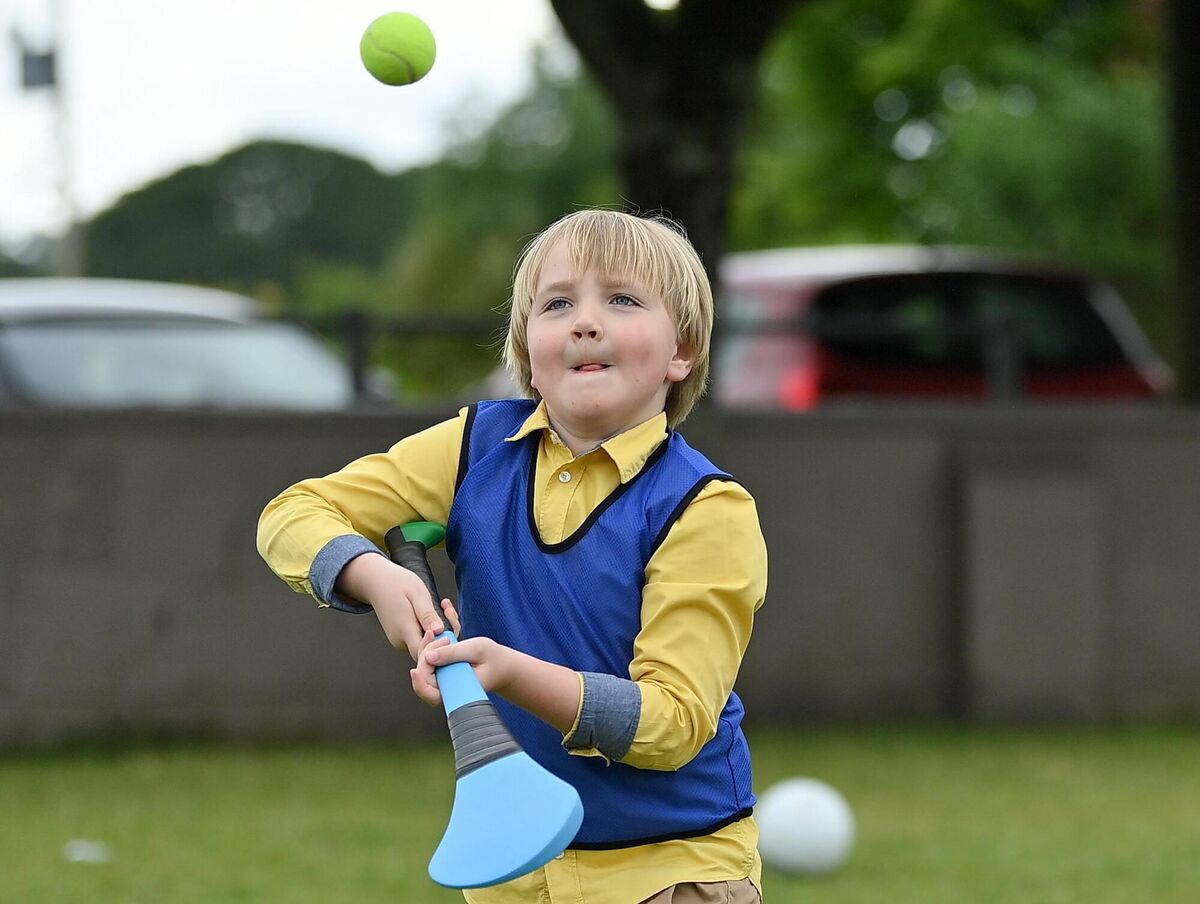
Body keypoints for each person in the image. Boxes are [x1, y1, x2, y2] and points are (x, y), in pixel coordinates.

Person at [257, 209, 768, 904]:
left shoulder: (706, 508)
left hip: (668, 866)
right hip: (516, 864)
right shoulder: (474, 447)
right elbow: (291, 514)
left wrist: (507, 671)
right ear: (527, 353)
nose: (585, 321)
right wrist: (371, 574)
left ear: (682, 351)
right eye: (558, 304)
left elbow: (672, 721)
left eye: (621, 299)